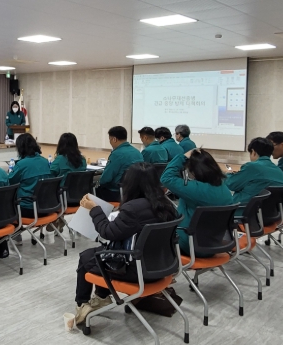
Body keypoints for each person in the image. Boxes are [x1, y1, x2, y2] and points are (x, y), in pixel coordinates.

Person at [74, 162, 179, 324]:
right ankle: (101, 296)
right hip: (164, 265)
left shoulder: (132, 209)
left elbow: (107, 232)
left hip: (139, 271)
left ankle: (82, 305)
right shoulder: (167, 204)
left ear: (130, 183)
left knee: (87, 257)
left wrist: (94, 209)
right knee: (99, 253)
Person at [161, 149, 233, 257]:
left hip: (189, 246)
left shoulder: (196, 189)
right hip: (213, 244)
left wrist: (182, 157)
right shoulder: (224, 189)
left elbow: (166, 178)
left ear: (194, 172)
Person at [226, 138, 283, 212]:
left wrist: (228, 174)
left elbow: (231, 184)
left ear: (253, 152)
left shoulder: (251, 167)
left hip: (242, 211)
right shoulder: (279, 171)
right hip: (268, 213)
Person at [97, 126, 144, 202]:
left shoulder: (117, 154)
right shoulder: (137, 152)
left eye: (110, 139)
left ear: (114, 139)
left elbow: (105, 179)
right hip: (135, 192)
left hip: (116, 192)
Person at [9, 134, 51, 218]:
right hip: (45, 207)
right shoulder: (45, 162)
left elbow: (10, 182)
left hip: (27, 209)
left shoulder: (21, 165)